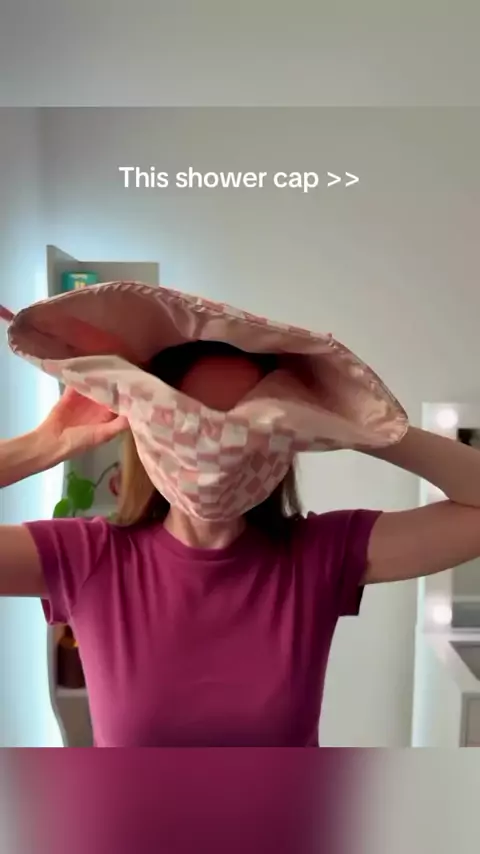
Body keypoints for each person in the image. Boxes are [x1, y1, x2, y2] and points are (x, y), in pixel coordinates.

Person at [2, 340, 480, 747]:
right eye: (194, 419)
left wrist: (365, 427)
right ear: (150, 430)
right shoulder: (88, 558)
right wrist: (44, 444)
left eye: (249, 421)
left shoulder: (317, 554)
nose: (219, 444)